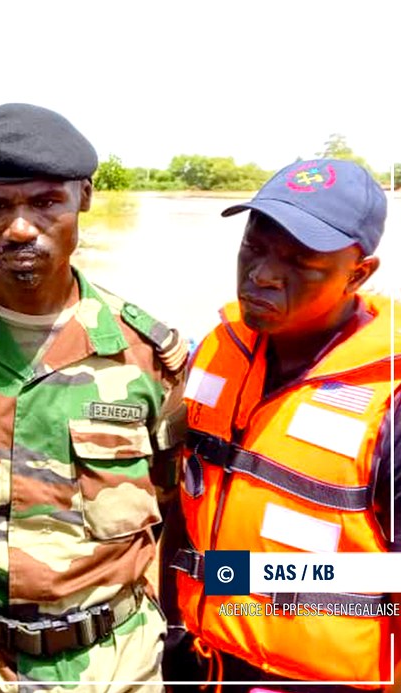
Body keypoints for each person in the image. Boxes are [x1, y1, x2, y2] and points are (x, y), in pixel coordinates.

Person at [0, 104, 188, 691]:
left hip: (112, 666)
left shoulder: (148, 358)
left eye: (46, 202)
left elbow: (175, 510)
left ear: (86, 198)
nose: (19, 227)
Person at [165, 159, 399, 689]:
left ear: (358, 274)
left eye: (300, 259)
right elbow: (183, 498)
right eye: (254, 245)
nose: (263, 273)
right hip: (202, 663)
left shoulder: (391, 401)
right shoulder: (215, 352)